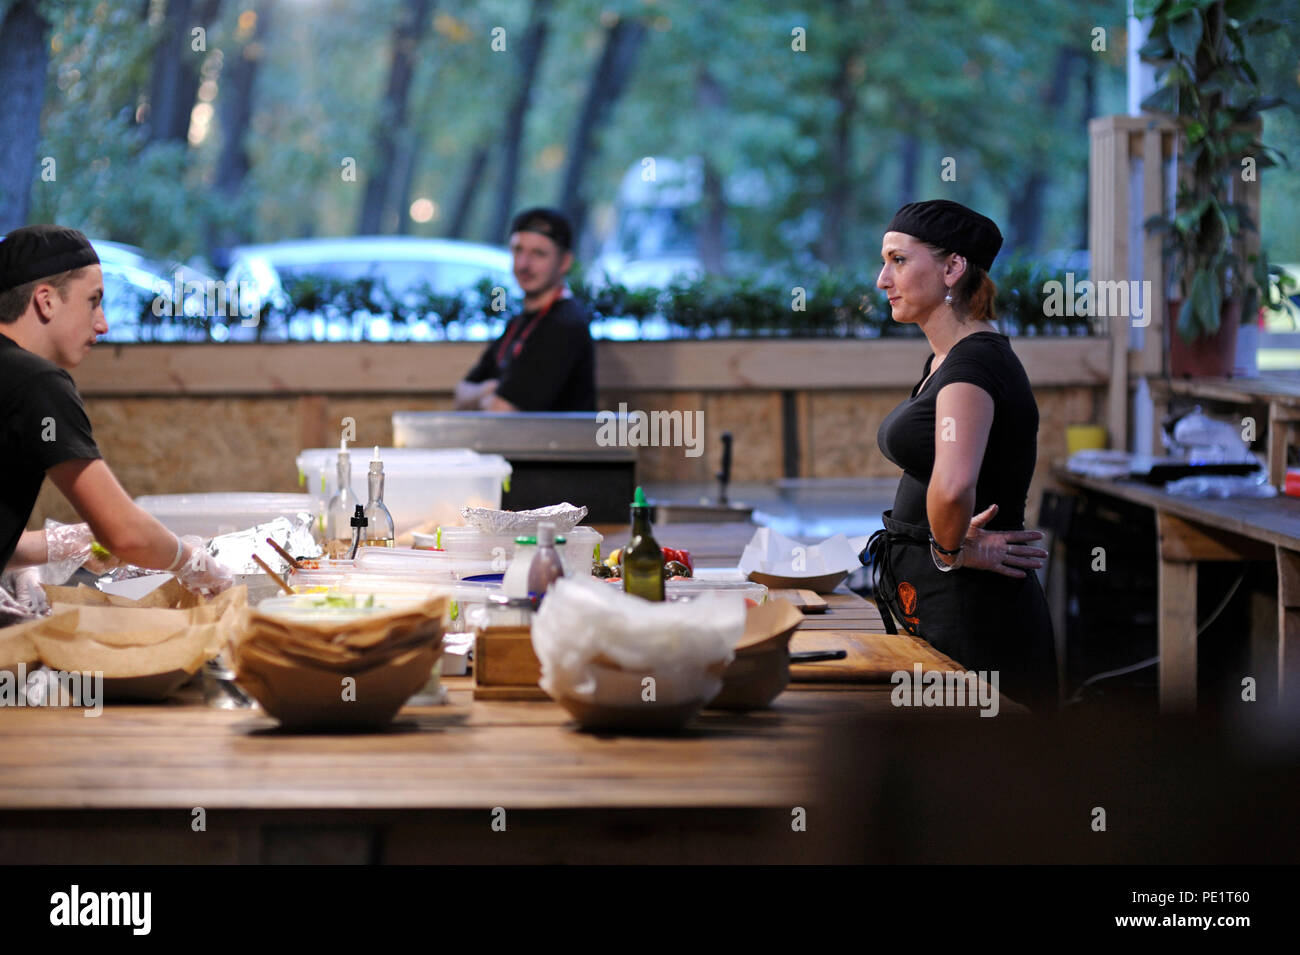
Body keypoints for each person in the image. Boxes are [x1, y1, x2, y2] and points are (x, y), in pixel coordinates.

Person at [864, 199, 1058, 714]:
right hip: (943, 599)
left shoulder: (972, 364)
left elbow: (952, 487)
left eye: (899, 260)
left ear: (952, 268)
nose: (883, 279)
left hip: (974, 611)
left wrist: (948, 550)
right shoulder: (946, 358)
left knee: (980, 778)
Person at [0, 225, 231, 618]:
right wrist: (192, 562)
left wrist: (65, 543)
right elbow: (123, 532)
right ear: (46, 301)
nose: (103, 323)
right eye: (93, 301)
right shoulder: (37, 382)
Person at [454, 207, 595, 412]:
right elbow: (460, 394)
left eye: (538, 254)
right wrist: (488, 389)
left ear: (564, 262)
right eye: (518, 250)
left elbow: (502, 410)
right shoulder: (519, 322)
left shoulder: (563, 325)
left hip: (558, 444)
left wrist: (488, 395)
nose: (523, 264)